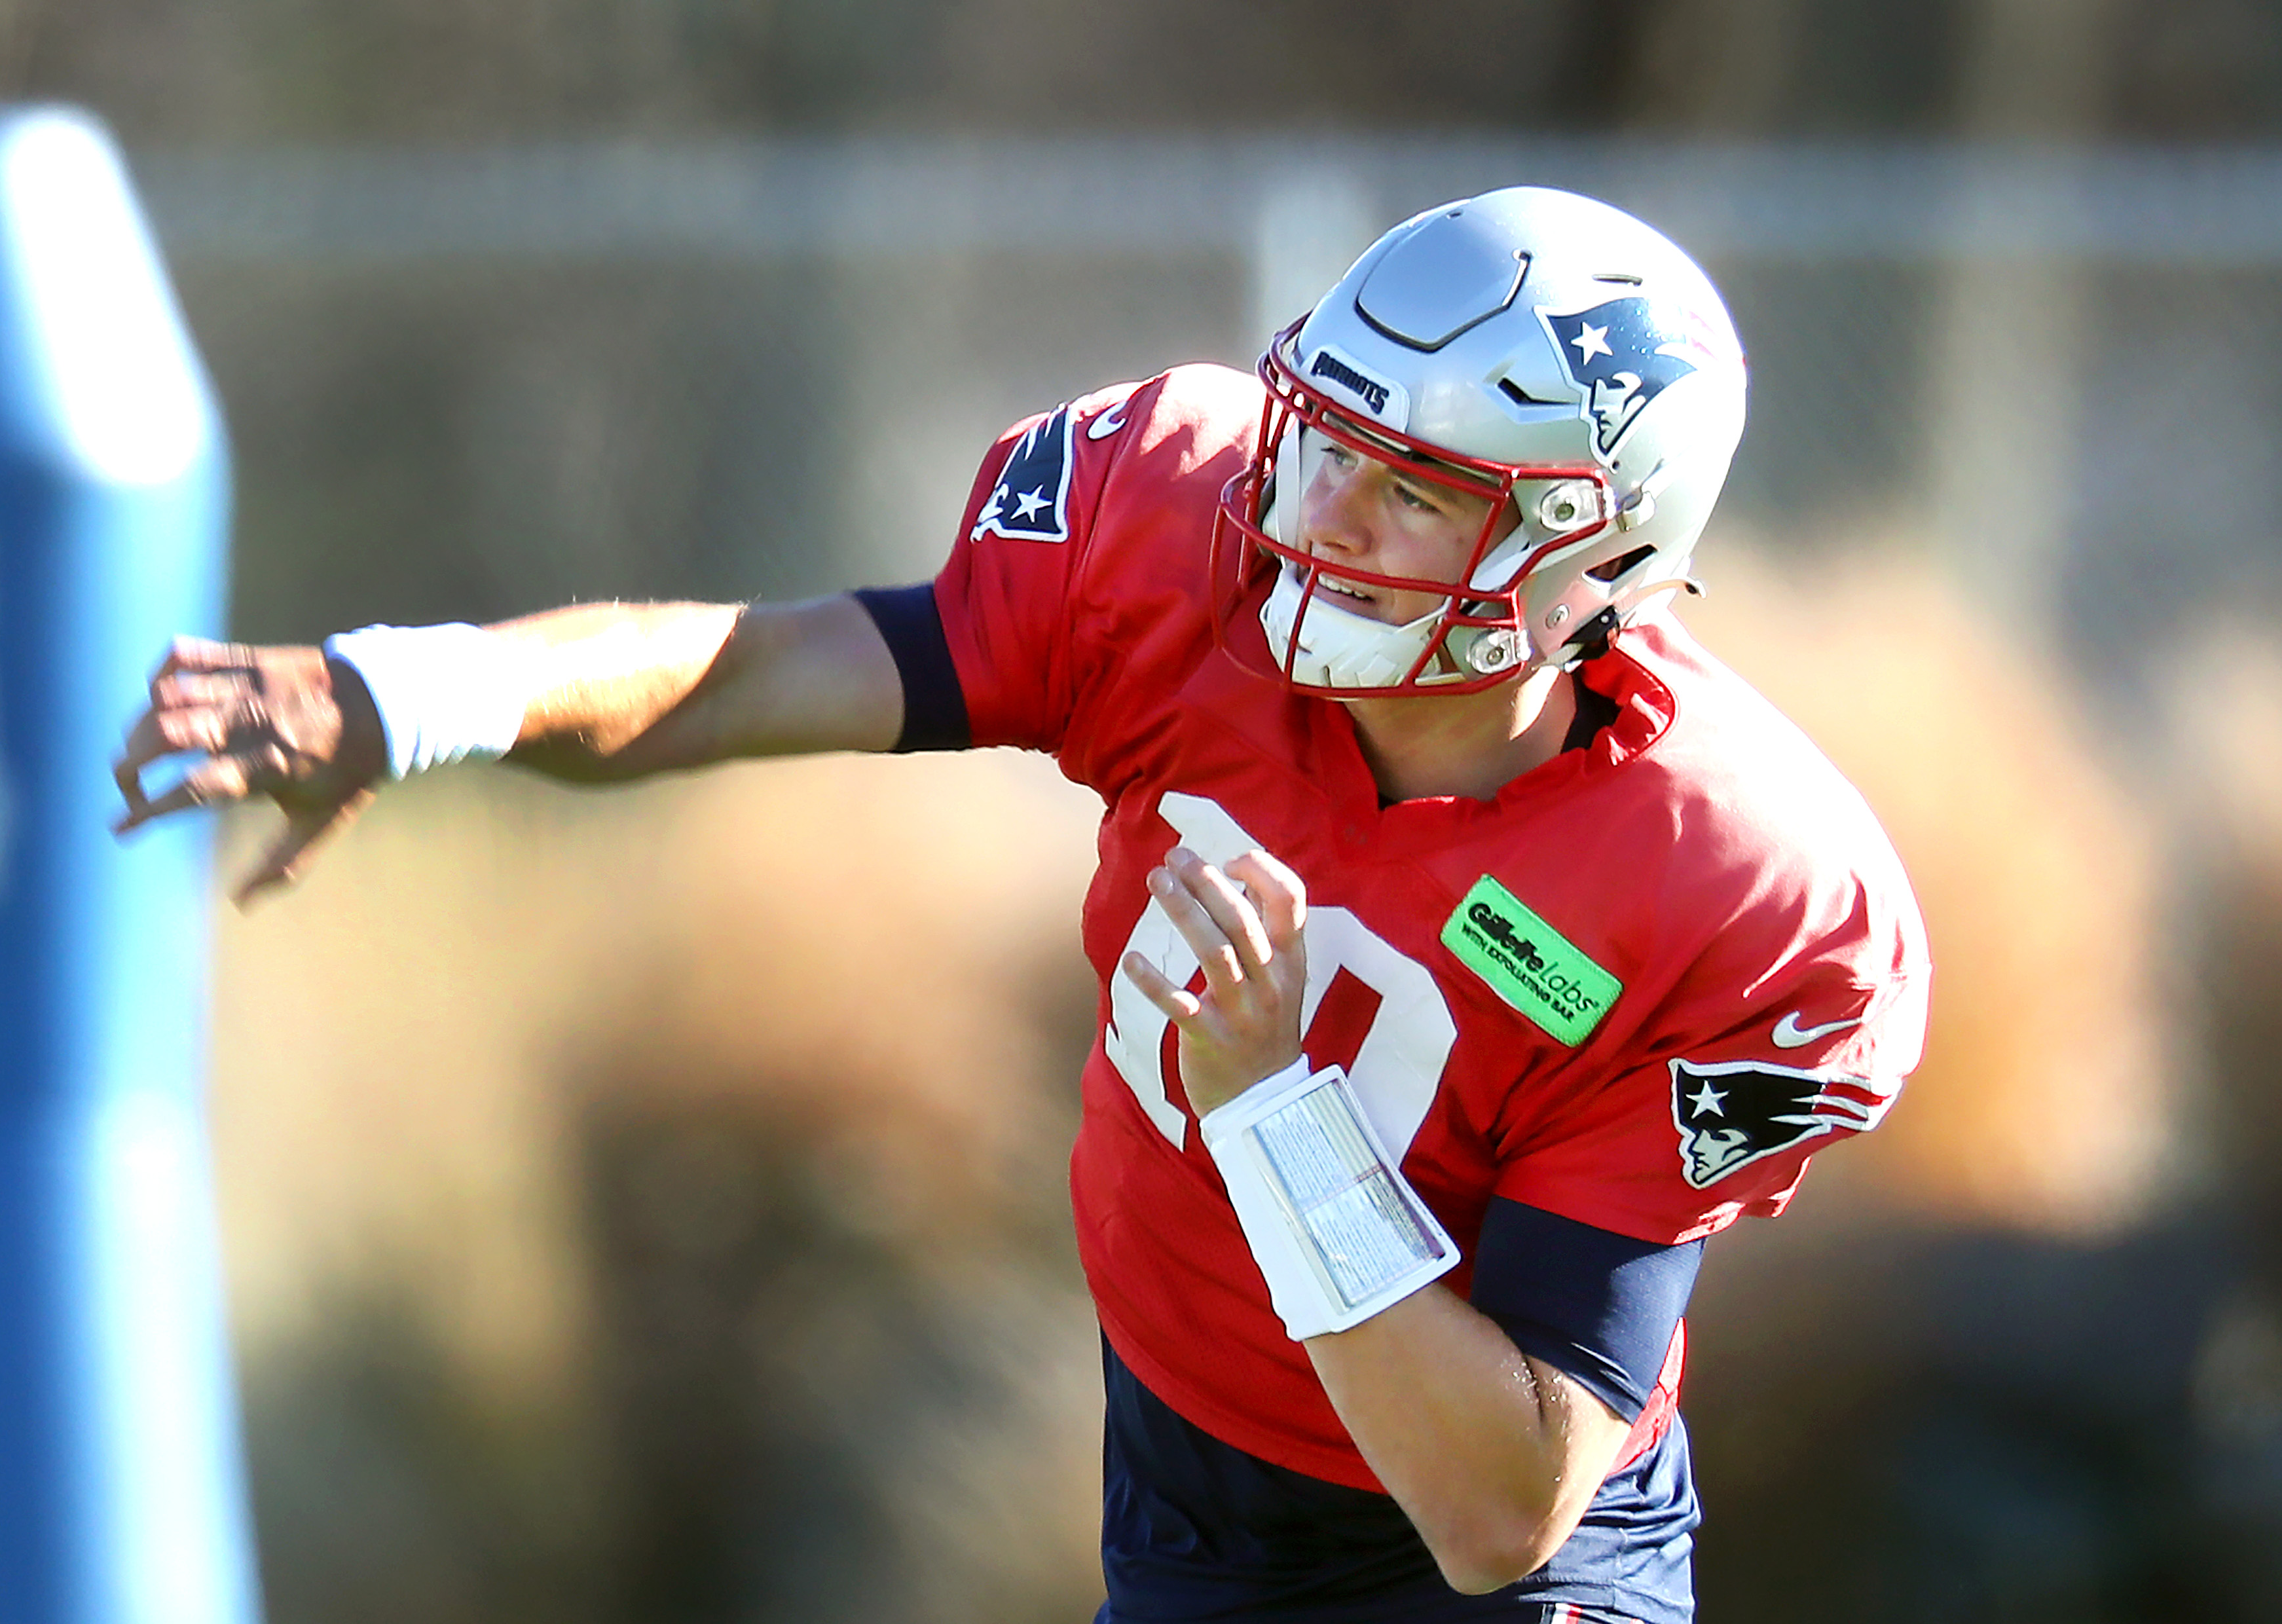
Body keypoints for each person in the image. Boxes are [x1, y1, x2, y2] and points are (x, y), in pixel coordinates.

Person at [113, 186, 1928, 1622]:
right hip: (1182, 1497)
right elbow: (762, 672)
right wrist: (406, 698)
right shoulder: (1180, 542)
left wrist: (1273, 1112)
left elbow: (1495, 1506)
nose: (1327, 518)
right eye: (1329, 447)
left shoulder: (1750, 904)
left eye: (1419, 494)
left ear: (1588, 557)